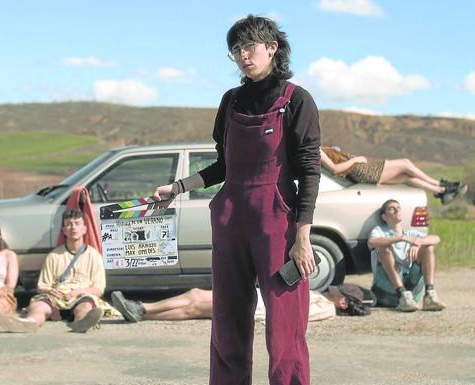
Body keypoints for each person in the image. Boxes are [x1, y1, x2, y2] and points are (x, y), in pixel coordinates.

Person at [152, 15, 320, 385]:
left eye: (249, 46)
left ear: (272, 47)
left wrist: (303, 237)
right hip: (229, 218)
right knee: (227, 321)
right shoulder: (230, 101)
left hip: (277, 221)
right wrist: (178, 188)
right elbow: (222, 166)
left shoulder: (297, 101)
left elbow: (309, 171)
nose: (243, 55)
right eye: (235, 50)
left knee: (284, 326)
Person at [0, 208, 106, 333]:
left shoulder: (94, 256)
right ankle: (29, 323)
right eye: (69, 224)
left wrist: (78, 291)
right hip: (56, 297)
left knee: (85, 307)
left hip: (82, 296)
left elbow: (98, 289)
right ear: (64, 230)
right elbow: (41, 285)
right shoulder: (53, 256)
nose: (73, 228)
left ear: (84, 229)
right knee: (38, 306)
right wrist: (50, 290)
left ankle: (81, 323)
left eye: (77, 223)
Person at [111, 283, 374, 323]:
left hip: (253, 305)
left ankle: (142, 307)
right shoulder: (325, 302)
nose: (331, 292)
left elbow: (295, 315)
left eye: (336, 293)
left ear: (342, 303)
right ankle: (141, 313)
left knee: (194, 297)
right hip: (253, 301)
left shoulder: (326, 308)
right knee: (194, 306)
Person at [367, 199, 445, 312]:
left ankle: (429, 295)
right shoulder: (379, 231)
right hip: (386, 292)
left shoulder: (411, 234)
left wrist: (418, 243)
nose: (396, 210)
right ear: (384, 217)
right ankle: (402, 293)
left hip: (412, 294)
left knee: (428, 246)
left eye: (398, 207)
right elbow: (372, 242)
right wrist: (401, 238)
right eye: (391, 208)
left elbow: (436, 238)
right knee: (384, 248)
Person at [320, 145, 467, 205]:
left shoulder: (316, 147)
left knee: (405, 177)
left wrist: (335, 151)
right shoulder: (315, 150)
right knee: (405, 163)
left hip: (358, 170)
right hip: (359, 170)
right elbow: (334, 169)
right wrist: (354, 160)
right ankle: (441, 185)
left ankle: (441, 192)